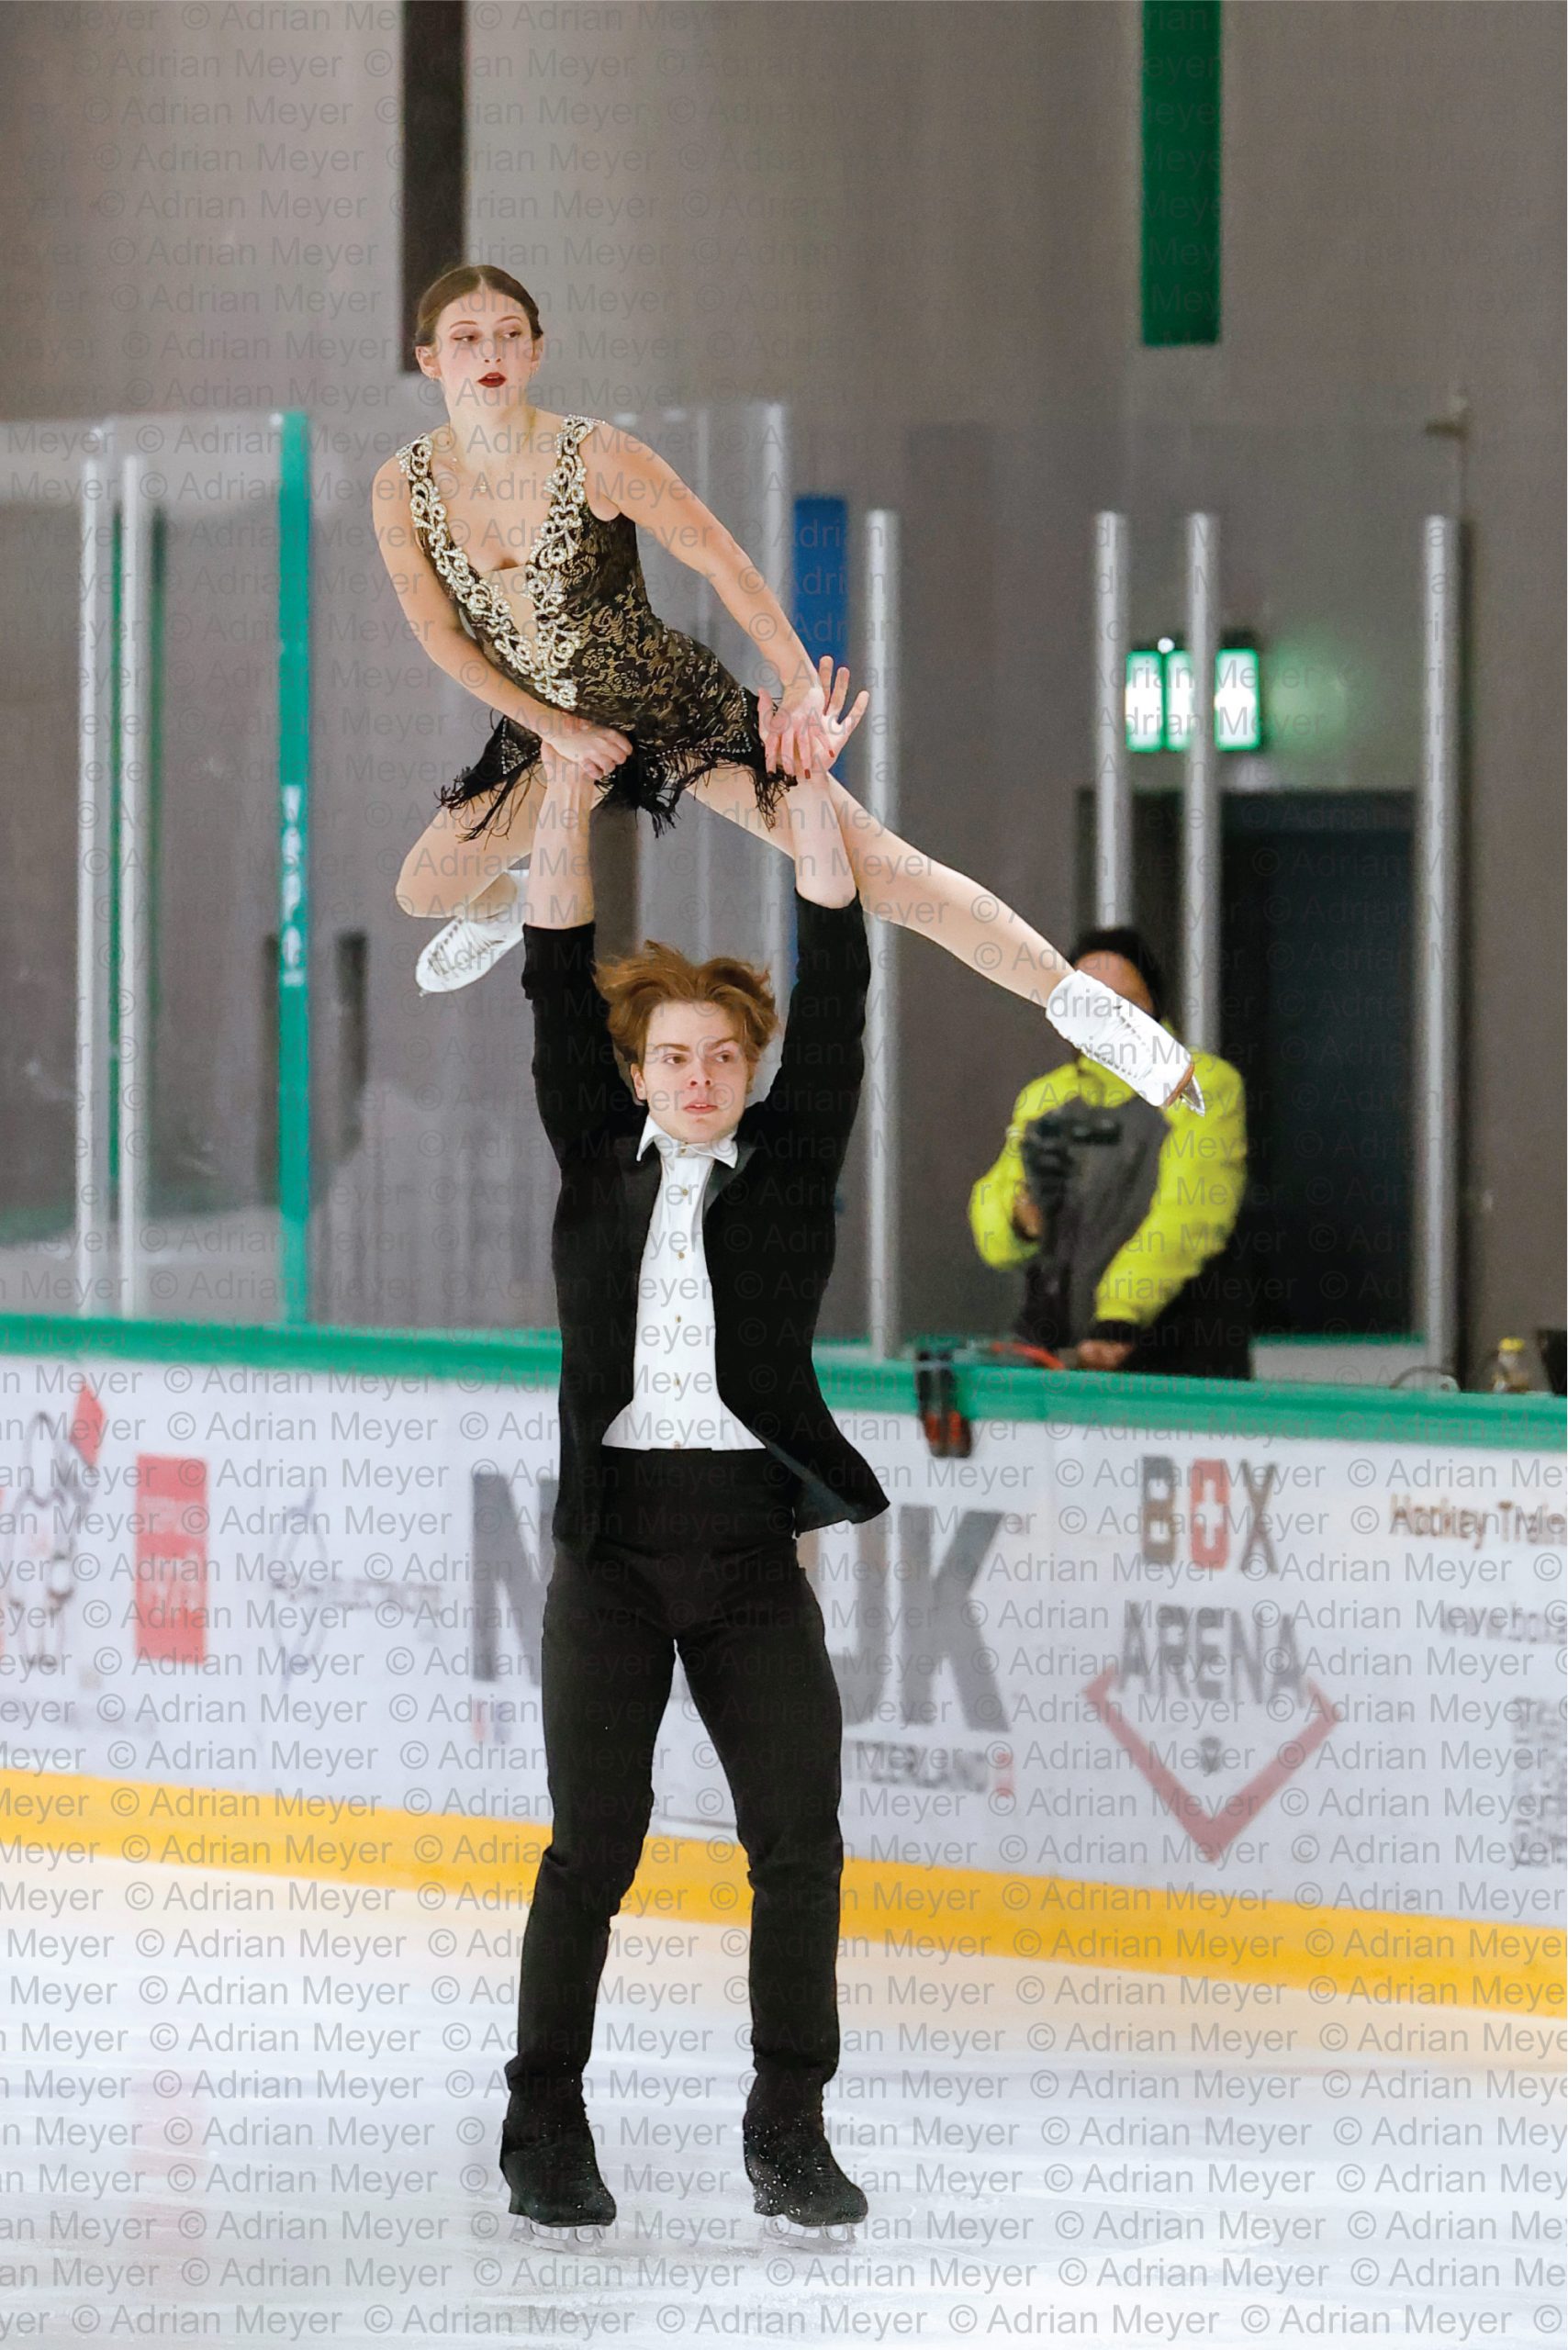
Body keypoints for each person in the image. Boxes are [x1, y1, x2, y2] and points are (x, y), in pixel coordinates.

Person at [370, 261, 1203, 1114]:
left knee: (877, 867)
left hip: (668, 705)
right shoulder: (403, 485)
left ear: (539, 350)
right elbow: (441, 636)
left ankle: (1101, 1018)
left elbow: (721, 559)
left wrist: (800, 685)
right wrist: (555, 729)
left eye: (510, 335)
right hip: (550, 726)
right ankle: (500, 906)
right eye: (467, 340)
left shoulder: (598, 455)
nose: (491, 353)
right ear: (431, 360)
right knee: (423, 888)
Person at [499, 736, 885, 2236]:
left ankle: (787, 2124)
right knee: (587, 1849)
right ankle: (543, 2130)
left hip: (743, 1558)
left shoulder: (787, 1171)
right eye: (675, 1057)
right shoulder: (592, 1159)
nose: (703, 1077)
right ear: (639, 1071)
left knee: (797, 1845)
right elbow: (551, 964)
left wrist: (811, 811)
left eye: (723, 1054)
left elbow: (841, 993)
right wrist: (564, 791)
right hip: (608, 1552)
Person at [969, 927, 1250, 1379]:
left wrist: (1119, 1316)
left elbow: (1191, 1214)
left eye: (1127, 1003)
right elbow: (994, 1218)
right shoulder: (1045, 1096)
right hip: (1061, 1353)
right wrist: (1022, 1219)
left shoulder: (1200, 1084)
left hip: (1174, 1350)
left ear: (1156, 1005)